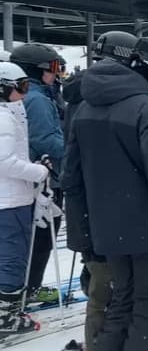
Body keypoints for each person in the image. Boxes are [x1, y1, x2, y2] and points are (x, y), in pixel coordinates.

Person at [62, 36, 148, 351]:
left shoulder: (87, 105)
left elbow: (71, 175)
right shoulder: (146, 108)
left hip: (107, 226)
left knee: (122, 300)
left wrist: (84, 227)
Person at [10, 43, 66, 304]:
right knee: (43, 234)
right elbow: (47, 141)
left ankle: (21, 284)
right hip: (44, 177)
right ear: (37, 70)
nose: (56, 74)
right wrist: (72, 147)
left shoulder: (23, 95)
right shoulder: (38, 100)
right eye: (53, 68)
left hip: (25, 178)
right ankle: (29, 286)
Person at [0, 61, 50, 335]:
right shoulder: (3, 117)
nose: (25, 92)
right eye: (21, 87)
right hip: (10, 200)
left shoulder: (9, 112)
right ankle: (6, 316)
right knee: (12, 257)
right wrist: (39, 171)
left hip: (11, 196)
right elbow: (5, 162)